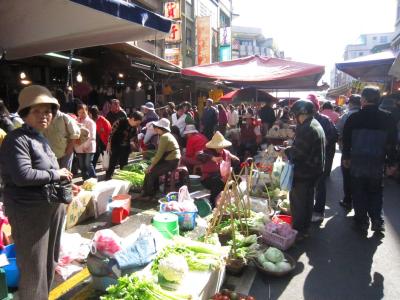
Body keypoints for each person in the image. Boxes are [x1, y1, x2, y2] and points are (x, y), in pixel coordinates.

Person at [0, 85, 73, 300]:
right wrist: (56, 174)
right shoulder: (17, 139)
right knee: (34, 268)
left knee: (49, 262)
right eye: (37, 111)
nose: (44, 116)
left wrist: (64, 182)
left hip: (49, 209)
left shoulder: (40, 138)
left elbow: (46, 173)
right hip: (29, 213)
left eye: (48, 111)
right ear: (25, 114)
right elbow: (23, 176)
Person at [342, 87, 397, 232]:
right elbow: (392, 143)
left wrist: (346, 156)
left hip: (357, 161)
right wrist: (392, 162)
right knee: (376, 191)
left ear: (364, 100)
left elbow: (346, 139)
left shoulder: (354, 118)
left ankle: (361, 222)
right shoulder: (387, 118)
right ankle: (377, 220)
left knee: (358, 191)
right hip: (377, 162)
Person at [283, 99, 326, 240]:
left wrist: (286, 151)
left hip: (304, 171)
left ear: (301, 113)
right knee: (307, 200)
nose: (295, 118)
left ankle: (299, 231)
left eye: (295, 115)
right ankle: (304, 229)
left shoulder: (306, 128)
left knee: (299, 203)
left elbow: (298, 154)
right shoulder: (315, 123)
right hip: (314, 170)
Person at [306, 95, 338, 222]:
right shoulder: (308, 120)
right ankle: (311, 209)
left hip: (322, 158)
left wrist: (323, 143)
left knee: (319, 184)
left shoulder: (324, 120)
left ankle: (318, 211)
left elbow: (334, 136)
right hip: (311, 158)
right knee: (312, 184)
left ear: (315, 107)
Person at [138, 118, 181, 200]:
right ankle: (146, 192)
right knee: (150, 171)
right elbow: (159, 153)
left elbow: (159, 155)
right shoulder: (165, 135)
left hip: (171, 162)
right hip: (170, 160)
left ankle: (149, 195)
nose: (155, 128)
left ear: (160, 128)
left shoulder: (164, 137)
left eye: (156, 127)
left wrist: (150, 166)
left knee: (151, 172)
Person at [197, 131, 239, 207]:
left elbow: (235, 159)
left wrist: (234, 159)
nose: (221, 148)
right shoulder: (207, 152)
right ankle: (213, 204)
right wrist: (212, 158)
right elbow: (199, 155)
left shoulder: (225, 152)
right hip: (208, 178)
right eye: (219, 146)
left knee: (235, 181)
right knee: (218, 183)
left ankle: (228, 203)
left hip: (223, 177)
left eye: (222, 146)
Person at [336, 94, 361, 209]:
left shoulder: (347, 115)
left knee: (347, 176)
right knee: (360, 178)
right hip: (363, 152)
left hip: (349, 151)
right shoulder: (363, 114)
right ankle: (359, 202)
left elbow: (338, 130)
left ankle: (348, 200)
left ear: (350, 103)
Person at [105, 111, 143, 180]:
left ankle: (122, 180)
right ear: (133, 119)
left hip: (126, 147)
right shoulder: (120, 121)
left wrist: (139, 148)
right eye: (137, 122)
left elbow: (135, 138)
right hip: (115, 145)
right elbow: (111, 132)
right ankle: (107, 178)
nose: (137, 125)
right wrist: (109, 143)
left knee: (124, 164)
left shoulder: (134, 127)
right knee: (112, 163)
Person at [75, 104, 97, 180]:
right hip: (79, 147)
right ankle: (86, 180)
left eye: (83, 112)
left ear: (87, 111)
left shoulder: (91, 122)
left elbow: (92, 136)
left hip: (89, 146)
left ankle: (93, 178)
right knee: (81, 165)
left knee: (88, 164)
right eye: (80, 112)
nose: (81, 114)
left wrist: (86, 146)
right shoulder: (75, 121)